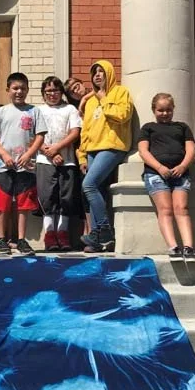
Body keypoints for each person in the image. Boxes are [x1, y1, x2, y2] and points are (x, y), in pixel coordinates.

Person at [76, 60, 133, 253]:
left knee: (88, 185)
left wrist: (103, 98)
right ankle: (100, 241)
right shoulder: (90, 101)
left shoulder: (120, 92)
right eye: (95, 73)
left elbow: (123, 115)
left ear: (109, 73)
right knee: (96, 190)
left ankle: (104, 231)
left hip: (113, 146)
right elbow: (86, 130)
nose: (98, 75)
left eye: (101, 72)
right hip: (92, 148)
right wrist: (82, 156)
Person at [0, 72, 47, 255]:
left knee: (24, 205)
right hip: (4, 166)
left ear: (27, 90)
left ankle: (21, 239)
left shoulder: (34, 111)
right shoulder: (1, 111)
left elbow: (40, 135)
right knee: (2, 205)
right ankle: (1, 239)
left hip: (26, 167)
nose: (19, 91)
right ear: (8, 90)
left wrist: (29, 154)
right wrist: (4, 154)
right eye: (15, 88)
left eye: (22, 88)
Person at [137, 93, 195, 260]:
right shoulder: (148, 128)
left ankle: (189, 247)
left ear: (173, 110)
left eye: (168, 110)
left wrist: (183, 166)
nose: (165, 113)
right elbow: (143, 151)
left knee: (181, 208)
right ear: (153, 110)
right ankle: (173, 247)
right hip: (156, 173)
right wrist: (159, 167)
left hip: (180, 173)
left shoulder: (182, 127)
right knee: (165, 209)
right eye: (160, 110)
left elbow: (190, 149)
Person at [36, 76, 82, 252]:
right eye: (48, 91)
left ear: (61, 92)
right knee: (48, 198)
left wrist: (57, 148)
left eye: (55, 90)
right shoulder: (38, 111)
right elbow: (34, 136)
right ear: (43, 94)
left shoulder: (69, 109)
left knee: (66, 198)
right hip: (44, 160)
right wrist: (49, 152)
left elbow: (74, 132)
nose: (52, 94)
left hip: (67, 161)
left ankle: (63, 233)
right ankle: (49, 234)